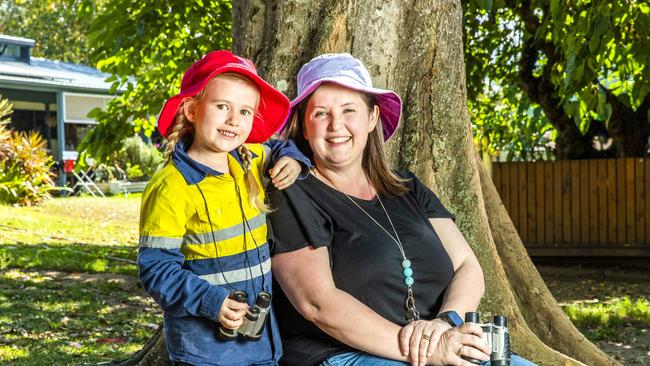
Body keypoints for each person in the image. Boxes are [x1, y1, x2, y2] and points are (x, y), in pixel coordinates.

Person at [268, 53, 536, 366]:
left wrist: (445, 324)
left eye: (348, 110)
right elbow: (317, 304)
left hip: (442, 344)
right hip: (346, 354)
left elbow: (467, 265)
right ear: (304, 125)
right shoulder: (292, 191)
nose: (335, 125)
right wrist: (429, 351)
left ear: (371, 119)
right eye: (320, 114)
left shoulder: (408, 187)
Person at [138, 50, 311, 366]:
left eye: (246, 111)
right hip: (206, 350)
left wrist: (293, 161)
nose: (234, 120)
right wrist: (211, 301)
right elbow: (156, 268)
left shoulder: (248, 159)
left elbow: (286, 146)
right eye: (222, 107)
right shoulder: (171, 186)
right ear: (191, 110)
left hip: (262, 345)